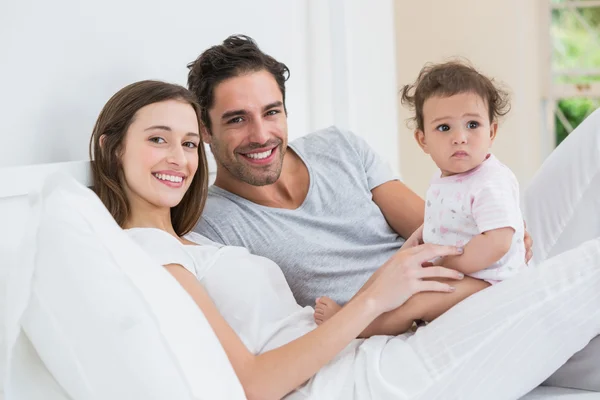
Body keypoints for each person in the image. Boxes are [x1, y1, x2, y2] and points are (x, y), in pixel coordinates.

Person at [89, 79, 600, 399]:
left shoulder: (185, 243)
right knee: (585, 274)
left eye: (186, 143)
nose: (178, 159)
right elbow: (255, 385)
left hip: (416, 307)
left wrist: (490, 234)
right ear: (112, 148)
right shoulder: (156, 249)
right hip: (370, 371)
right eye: (157, 139)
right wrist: (379, 298)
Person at [314, 62, 529, 335]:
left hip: (492, 280)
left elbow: (498, 242)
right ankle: (355, 311)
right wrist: (420, 242)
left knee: (418, 299)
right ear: (422, 140)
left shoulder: (490, 181)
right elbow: (448, 218)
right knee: (394, 271)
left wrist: (447, 265)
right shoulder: (447, 178)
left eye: (472, 124)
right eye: (444, 128)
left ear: (492, 132)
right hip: (465, 272)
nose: (460, 138)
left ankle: (362, 329)